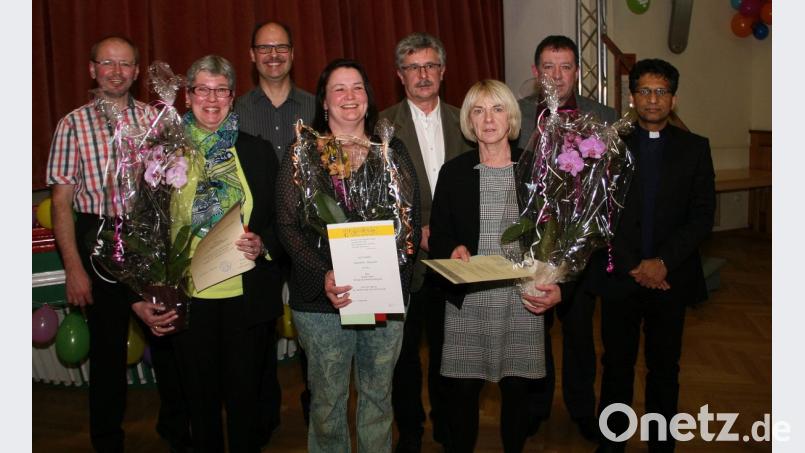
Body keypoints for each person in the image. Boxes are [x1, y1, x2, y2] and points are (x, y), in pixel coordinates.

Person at [46, 36, 190, 453]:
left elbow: (170, 187)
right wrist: (73, 267)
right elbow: (61, 203)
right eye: (107, 63)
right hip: (97, 241)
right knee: (108, 354)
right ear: (92, 69)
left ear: (137, 71)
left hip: (151, 239)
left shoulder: (155, 119)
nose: (116, 71)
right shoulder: (72, 125)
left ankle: (176, 431)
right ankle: (107, 440)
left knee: (168, 342)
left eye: (125, 64)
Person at [275, 58, 421, 452]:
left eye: (357, 87)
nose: (349, 96)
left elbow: (409, 221)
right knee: (326, 404)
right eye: (339, 88)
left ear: (369, 97)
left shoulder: (390, 151)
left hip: (382, 297)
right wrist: (325, 273)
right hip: (321, 300)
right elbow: (287, 226)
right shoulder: (301, 153)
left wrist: (390, 281)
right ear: (324, 100)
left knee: (378, 399)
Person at [428, 79, 563, 453]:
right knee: (463, 395)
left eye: (497, 109)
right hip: (468, 302)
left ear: (512, 117)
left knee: (517, 393)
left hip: (522, 301)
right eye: (478, 110)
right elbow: (438, 235)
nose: (488, 119)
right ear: (469, 121)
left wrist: (555, 279)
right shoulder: (453, 173)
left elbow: (557, 236)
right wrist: (452, 247)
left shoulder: (536, 170)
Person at [594, 59, 715, 453]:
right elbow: (599, 211)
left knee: (665, 368)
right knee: (616, 366)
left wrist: (662, 262)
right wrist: (633, 264)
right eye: (644, 91)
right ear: (632, 97)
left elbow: (701, 216)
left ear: (673, 99)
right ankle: (612, 444)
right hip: (620, 275)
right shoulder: (610, 145)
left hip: (671, 277)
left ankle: (662, 446)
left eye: (661, 91)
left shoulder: (696, 148)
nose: (652, 99)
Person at [165, 54, 284, 453]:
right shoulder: (165, 155)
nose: (211, 99)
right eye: (202, 89)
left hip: (246, 298)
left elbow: (280, 220)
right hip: (191, 299)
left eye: (220, 90)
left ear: (233, 97)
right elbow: (150, 228)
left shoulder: (257, 151)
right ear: (188, 95)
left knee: (245, 402)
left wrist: (262, 242)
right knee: (199, 404)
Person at [516, 34, 618, 440]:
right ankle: (536, 406)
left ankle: (580, 408)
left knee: (579, 337)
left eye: (565, 67)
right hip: (532, 245)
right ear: (535, 72)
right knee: (534, 335)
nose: (556, 76)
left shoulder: (603, 116)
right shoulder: (517, 114)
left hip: (582, 248)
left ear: (577, 71)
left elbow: (611, 188)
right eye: (548, 67)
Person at [379, 32, 472, 453]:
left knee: (449, 352)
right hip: (403, 262)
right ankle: (411, 430)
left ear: (443, 72)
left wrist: (451, 232)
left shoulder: (467, 121)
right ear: (400, 75)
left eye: (431, 66)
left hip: (456, 259)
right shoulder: (380, 126)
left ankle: (448, 425)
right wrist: (412, 229)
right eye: (414, 67)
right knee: (403, 358)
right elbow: (374, 196)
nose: (423, 75)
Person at [233, 19, 316, 440]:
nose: (273, 55)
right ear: (251, 56)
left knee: (314, 326)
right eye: (264, 48)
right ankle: (262, 417)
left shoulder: (316, 107)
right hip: (258, 238)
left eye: (281, 47)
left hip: (310, 236)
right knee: (259, 333)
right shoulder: (236, 111)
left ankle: (315, 408)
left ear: (292, 53)